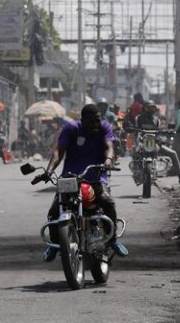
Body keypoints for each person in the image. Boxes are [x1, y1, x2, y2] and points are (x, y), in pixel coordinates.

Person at [38, 104, 127, 261]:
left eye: (97, 121)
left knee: (107, 202)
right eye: (91, 121)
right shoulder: (71, 129)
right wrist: (49, 170)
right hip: (70, 178)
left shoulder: (104, 127)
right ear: (82, 120)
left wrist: (108, 160)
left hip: (96, 177)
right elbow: (59, 152)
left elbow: (109, 147)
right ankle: (54, 244)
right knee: (54, 211)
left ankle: (112, 240)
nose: (95, 125)